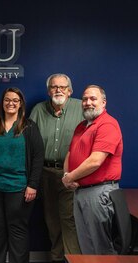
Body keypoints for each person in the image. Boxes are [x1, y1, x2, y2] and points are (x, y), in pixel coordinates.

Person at [0, 87, 44, 263]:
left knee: (18, 231)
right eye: (7, 100)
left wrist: (33, 185)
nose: (11, 103)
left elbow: (37, 158)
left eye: (15, 100)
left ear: (20, 104)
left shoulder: (29, 127)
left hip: (20, 188)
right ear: (2, 103)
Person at [62, 85, 123, 254]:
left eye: (93, 99)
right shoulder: (82, 126)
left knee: (101, 248)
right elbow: (70, 153)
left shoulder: (108, 124)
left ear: (103, 102)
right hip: (80, 191)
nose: (88, 102)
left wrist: (69, 178)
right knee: (86, 246)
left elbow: (95, 161)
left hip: (98, 193)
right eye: (85, 99)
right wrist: (66, 175)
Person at [29, 74, 82, 263]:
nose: (58, 90)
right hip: (45, 173)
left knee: (69, 219)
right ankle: (58, 259)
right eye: (54, 87)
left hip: (72, 174)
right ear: (48, 90)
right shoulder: (38, 110)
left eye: (62, 87)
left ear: (70, 90)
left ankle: (73, 260)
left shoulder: (81, 107)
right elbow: (29, 142)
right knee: (52, 220)